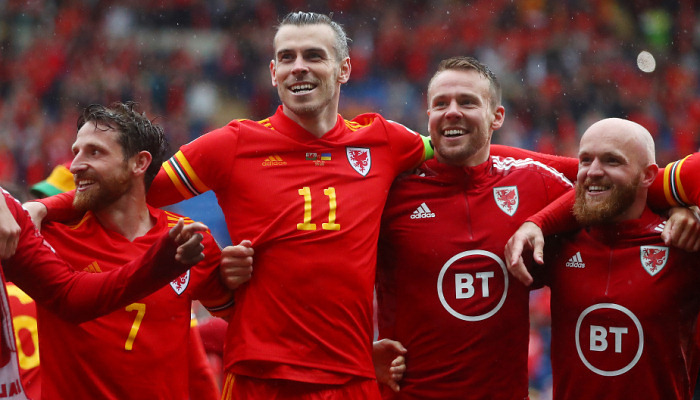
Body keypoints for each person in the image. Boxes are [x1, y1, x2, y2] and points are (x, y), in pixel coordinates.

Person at [24, 11, 432, 399]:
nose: (298, 67)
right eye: (286, 57)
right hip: (261, 376)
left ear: (344, 69)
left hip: (352, 374)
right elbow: (128, 186)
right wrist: (46, 208)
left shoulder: (383, 141)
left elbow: (452, 146)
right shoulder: (233, 145)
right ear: (272, 73)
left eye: (313, 56)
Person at [373, 56, 574, 399]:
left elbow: (609, 190)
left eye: (467, 102)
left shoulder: (532, 181)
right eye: (441, 104)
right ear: (429, 115)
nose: (452, 112)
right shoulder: (390, 191)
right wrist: (359, 354)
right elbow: (325, 270)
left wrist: (540, 221)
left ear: (497, 116)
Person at [32, 102, 235, 399]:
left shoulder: (190, 239)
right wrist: (23, 208)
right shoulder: (49, 237)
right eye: (76, 151)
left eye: (94, 152)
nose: (74, 165)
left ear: (139, 163)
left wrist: (237, 271)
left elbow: (236, 320)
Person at [505, 118, 700, 399]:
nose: (593, 171)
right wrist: (535, 222)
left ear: (648, 175)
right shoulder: (558, 243)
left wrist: (688, 211)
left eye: (612, 160)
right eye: (585, 160)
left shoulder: (684, 246)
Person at [0, 185, 206, 399]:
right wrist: (41, 206)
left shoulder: (12, 218)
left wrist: (41, 207)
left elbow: (68, 296)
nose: (78, 168)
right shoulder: (34, 228)